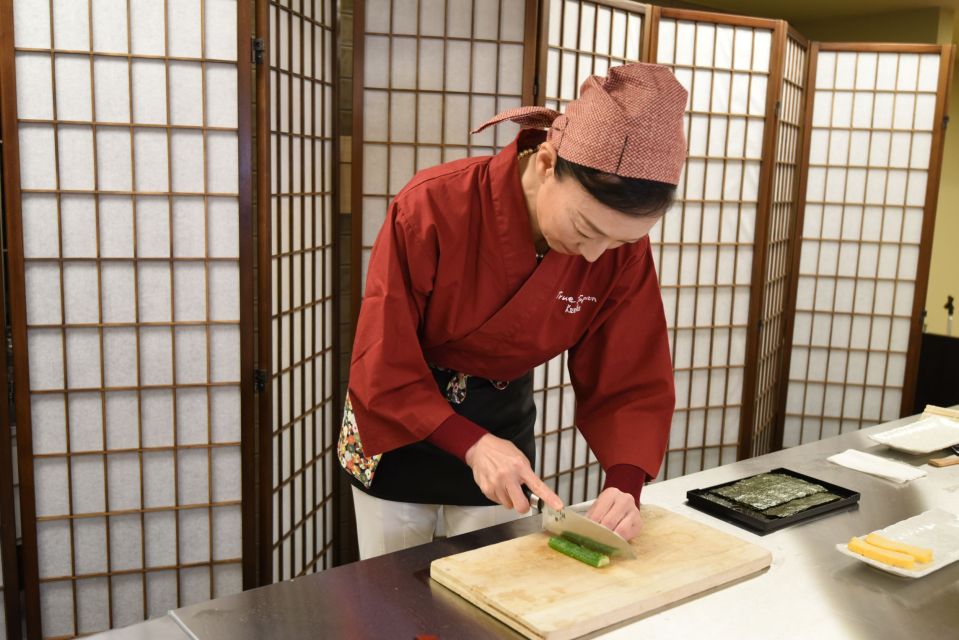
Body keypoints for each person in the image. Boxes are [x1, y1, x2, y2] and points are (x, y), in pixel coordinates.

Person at [339, 62, 687, 559]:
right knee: (389, 601)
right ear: (546, 163)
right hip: (395, 422)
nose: (595, 255)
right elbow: (382, 355)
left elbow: (630, 372)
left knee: (489, 601)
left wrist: (625, 484)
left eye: (620, 240)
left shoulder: (619, 250)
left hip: (503, 432)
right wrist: (472, 444)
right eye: (587, 229)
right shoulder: (433, 205)